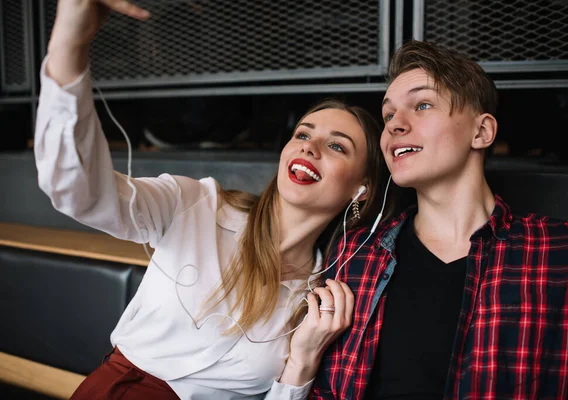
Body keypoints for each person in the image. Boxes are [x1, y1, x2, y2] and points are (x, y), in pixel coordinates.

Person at [34, 1, 391, 399]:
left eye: (337, 147)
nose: (310, 148)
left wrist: (303, 361)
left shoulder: (322, 297)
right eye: (303, 135)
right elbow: (79, 191)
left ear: (362, 189)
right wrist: (69, 42)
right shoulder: (196, 203)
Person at [311, 40, 568, 399]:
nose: (395, 126)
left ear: (481, 132)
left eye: (422, 105)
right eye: (388, 115)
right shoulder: (356, 253)